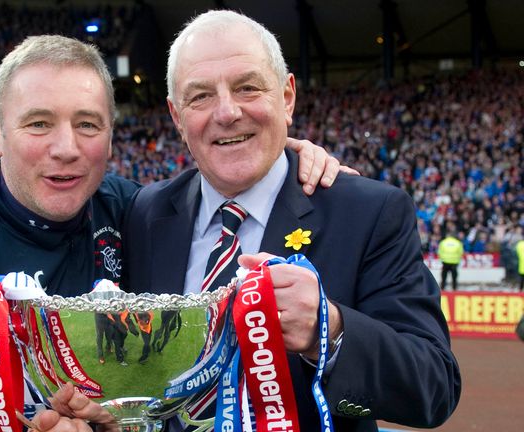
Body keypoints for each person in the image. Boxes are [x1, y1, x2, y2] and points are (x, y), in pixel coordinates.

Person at [0, 34, 344, 432]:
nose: (67, 148)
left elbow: (228, 178)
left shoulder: (133, 210)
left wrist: (283, 158)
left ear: (111, 136)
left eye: (87, 124)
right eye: (39, 124)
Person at [122, 10, 461, 431]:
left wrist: (330, 330)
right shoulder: (142, 213)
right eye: (200, 96)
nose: (226, 112)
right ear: (176, 116)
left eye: (248, 87)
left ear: (286, 97)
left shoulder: (370, 213)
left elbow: (433, 388)